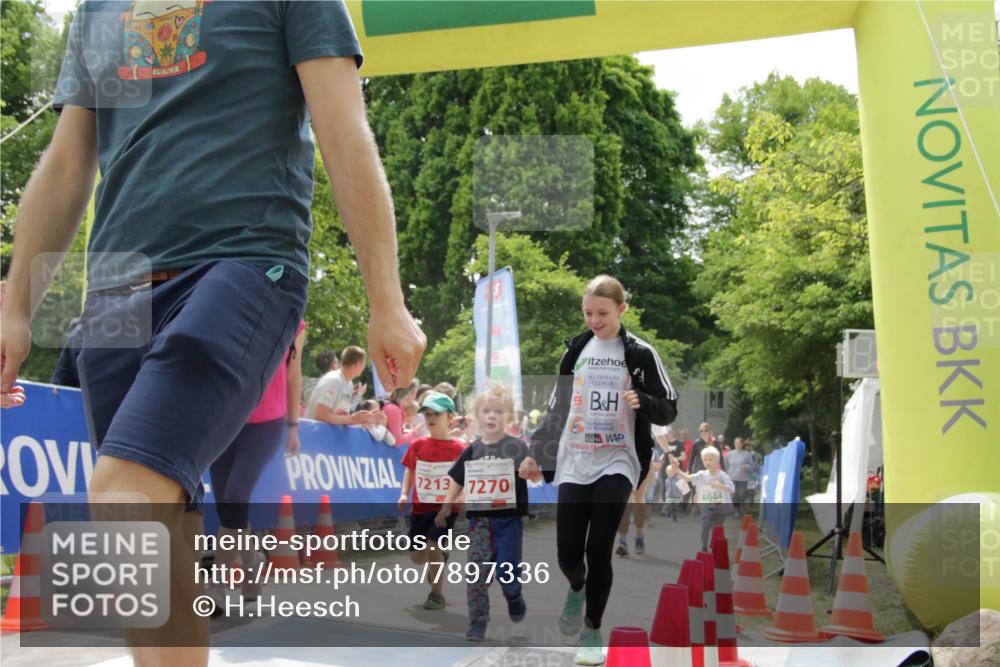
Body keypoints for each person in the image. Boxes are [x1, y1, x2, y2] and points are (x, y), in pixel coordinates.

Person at [0, 4, 426, 664]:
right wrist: (15, 307)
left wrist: (387, 300)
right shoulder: (99, 12)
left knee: (122, 497)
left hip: (243, 261)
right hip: (116, 283)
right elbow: (66, 167)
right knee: (155, 526)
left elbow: (345, 134)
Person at [519, 275, 677, 666]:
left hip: (618, 458)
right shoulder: (577, 350)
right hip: (574, 458)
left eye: (602, 313)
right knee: (568, 553)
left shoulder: (640, 353)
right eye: (588, 312)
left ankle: (592, 630)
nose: (594, 320)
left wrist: (642, 400)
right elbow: (557, 409)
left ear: (622, 309)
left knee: (599, 546)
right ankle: (577, 586)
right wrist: (536, 453)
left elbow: (669, 405)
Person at [208, 321, 306, 604]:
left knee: (237, 498)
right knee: (228, 508)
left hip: (266, 422)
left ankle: (217, 585)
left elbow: (293, 375)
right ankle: (252, 567)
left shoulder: (293, 324)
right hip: (224, 419)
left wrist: (293, 425)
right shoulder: (231, 305)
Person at [435, 383, 529, 641]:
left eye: (498, 412)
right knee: (476, 575)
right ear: (477, 416)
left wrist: (530, 470)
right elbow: (457, 478)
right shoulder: (472, 450)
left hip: (508, 522)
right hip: (478, 522)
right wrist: (446, 504)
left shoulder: (517, 447)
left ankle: (513, 595)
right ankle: (478, 621)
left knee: (507, 571)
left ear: (508, 417)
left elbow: (535, 473)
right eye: (486, 411)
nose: (491, 416)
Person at [397, 392, 465, 610]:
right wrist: (404, 493)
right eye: (427, 414)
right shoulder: (417, 445)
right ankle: (438, 557)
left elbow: (467, 477)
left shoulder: (459, 448)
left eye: (436, 414)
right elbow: (410, 470)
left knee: (433, 543)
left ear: (450, 418)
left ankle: (436, 595)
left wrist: (461, 497)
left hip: (445, 509)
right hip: (420, 507)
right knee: (417, 558)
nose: (431, 418)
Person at [670, 446, 735, 552]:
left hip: (722, 507)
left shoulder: (722, 475)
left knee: (716, 528)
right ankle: (704, 547)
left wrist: (720, 486)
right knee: (706, 526)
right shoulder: (702, 474)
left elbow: (732, 488)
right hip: (706, 506)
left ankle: (713, 545)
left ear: (717, 460)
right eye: (705, 459)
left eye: (710, 459)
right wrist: (676, 469)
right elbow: (687, 478)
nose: (707, 462)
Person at [304, 346, 377, 425]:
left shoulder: (349, 384)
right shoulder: (334, 380)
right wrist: (352, 419)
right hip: (312, 434)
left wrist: (362, 418)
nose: (364, 367)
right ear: (358, 363)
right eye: (364, 363)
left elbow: (342, 414)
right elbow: (321, 415)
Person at [383, 380, 419, 445]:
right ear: (410, 393)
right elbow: (398, 441)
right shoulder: (394, 409)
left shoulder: (395, 408)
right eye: (415, 393)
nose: (415, 397)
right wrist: (415, 432)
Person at [726, 437, 754, 514]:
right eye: (736, 443)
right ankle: (736, 509)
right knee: (734, 494)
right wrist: (727, 473)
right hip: (733, 477)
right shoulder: (730, 454)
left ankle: (742, 506)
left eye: (739, 443)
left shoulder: (746, 454)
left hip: (743, 478)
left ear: (742, 444)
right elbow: (726, 465)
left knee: (742, 494)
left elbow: (752, 466)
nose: (737, 445)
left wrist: (747, 467)